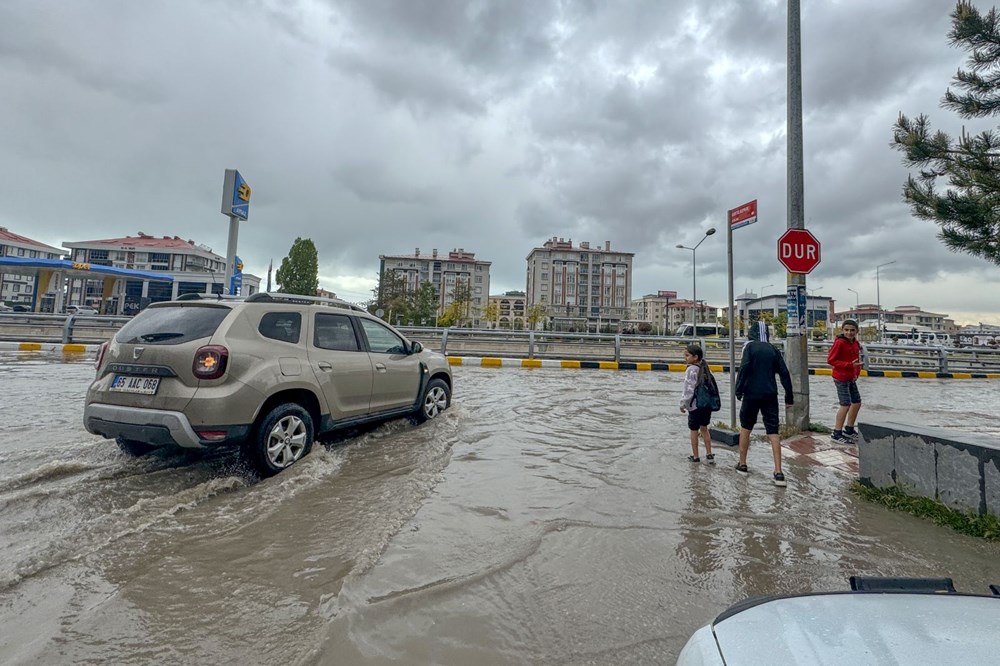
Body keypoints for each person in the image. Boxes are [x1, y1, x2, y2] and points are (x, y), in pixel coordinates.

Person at [734, 320, 794, 487]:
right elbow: (784, 373)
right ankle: (778, 472)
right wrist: (789, 397)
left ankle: (743, 463)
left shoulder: (749, 347)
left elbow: (744, 368)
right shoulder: (773, 349)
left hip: (751, 394)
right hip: (770, 394)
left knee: (746, 427)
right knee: (773, 431)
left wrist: (738, 390)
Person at [679, 344, 716, 463]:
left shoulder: (691, 370)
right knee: (704, 428)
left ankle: (695, 456)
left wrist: (683, 404)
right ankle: (709, 454)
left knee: (694, 430)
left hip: (694, 405)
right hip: (706, 405)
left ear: (695, 357)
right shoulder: (706, 367)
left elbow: (688, 390)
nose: (685, 358)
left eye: (687, 355)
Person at [827, 318, 863, 443]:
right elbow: (831, 360)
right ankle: (836, 432)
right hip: (840, 377)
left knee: (857, 402)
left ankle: (849, 429)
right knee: (845, 404)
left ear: (857, 331)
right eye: (846, 330)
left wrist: (856, 372)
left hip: (851, 377)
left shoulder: (855, 343)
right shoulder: (840, 343)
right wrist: (848, 365)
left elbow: (856, 360)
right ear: (842, 330)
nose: (849, 333)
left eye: (852, 330)